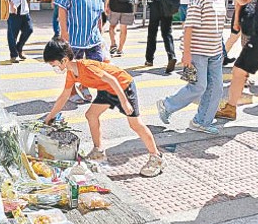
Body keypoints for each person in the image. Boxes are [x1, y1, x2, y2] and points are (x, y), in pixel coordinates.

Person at [43, 39, 166, 177]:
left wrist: (124, 102)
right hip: (107, 90)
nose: (53, 67)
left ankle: (156, 158)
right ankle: (98, 151)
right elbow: (64, 96)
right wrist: (50, 116)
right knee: (91, 115)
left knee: (135, 125)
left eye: (53, 64)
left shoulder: (87, 67)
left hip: (123, 86)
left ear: (64, 60)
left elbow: (112, 79)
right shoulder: (71, 73)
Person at [156, 0, 233, 135]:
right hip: (198, 50)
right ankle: (167, 104)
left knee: (216, 88)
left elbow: (218, 26)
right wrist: (186, 53)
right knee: (199, 86)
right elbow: (189, 26)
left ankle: (201, 121)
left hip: (215, 51)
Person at [55, 0, 105, 104]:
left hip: (93, 36)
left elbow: (99, 6)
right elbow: (62, 8)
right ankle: (70, 92)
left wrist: (101, 31)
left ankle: (84, 85)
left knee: (94, 66)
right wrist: (64, 33)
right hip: (74, 35)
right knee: (72, 66)